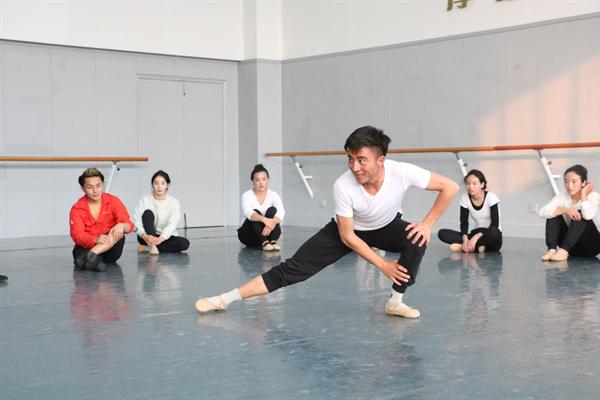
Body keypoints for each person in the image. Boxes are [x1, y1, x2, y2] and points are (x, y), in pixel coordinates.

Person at [196, 126, 459, 319]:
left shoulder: (401, 172)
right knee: (292, 269)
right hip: (347, 230)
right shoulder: (343, 185)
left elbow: (450, 187)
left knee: (417, 237)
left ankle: (396, 302)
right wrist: (383, 265)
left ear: (381, 160)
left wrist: (427, 224)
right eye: (350, 159)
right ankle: (224, 299)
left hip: (387, 225)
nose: (354, 167)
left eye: (361, 160)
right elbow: (348, 237)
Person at [70, 168, 134, 271]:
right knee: (85, 257)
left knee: (118, 232)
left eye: (98, 186)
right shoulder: (77, 209)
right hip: (86, 247)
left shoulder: (113, 201)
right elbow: (77, 235)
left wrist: (121, 225)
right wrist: (96, 239)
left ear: (103, 184)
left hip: (110, 250)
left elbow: (129, 226)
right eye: (90, 187)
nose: (95, 191)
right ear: (83, 188)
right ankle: (91, 260)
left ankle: (90, 257)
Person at [538, 164, 600, 261]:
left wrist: (584, 194)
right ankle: (552, 250)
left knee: (580, 213)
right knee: (553, 213)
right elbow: (542, 212)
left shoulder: (594, 196)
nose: (569, 185)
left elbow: (588, 216)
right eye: (566, 181)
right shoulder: (563, 196)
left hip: (592, 246)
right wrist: (565, 210)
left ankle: (564, 250)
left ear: (583, 183)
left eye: (574, 182)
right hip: (572, 248)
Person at [438, 169, 502, 253]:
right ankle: (478, 247)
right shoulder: (465, 198)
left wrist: (476, 237)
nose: (470, 187)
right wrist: (465, 240)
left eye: (474, 184)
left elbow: (495, 224)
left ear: (482, 184)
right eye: (468, 183)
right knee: (442, 233)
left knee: (494, 233)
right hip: (476, 232)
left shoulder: (491, 197)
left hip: (490, 234)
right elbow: (464, 223)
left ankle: (465, 247)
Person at [133, 170, 190, 255]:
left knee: (184, 243)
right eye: (156, 183)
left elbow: (172, 224)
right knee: (147, 213)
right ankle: (153, 246)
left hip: (165, 237)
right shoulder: (144, 200)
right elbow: (136, 221)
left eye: (163, 183)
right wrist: (145, 236)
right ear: (152, 185)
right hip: (146, 236)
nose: (159, 186)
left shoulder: (174, 202)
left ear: (168, 185)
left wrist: (161, 238)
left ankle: (147, 248)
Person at [237, 164, 285, 251]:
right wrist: (265, 220)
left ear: (268, 180)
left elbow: (281, 211)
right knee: (255, 212)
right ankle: (264, 242)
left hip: (268, 234)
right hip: (249, 236)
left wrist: (269, 225)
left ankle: (273, 242)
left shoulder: (273, 194)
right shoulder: (246, 195)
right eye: (257, 180)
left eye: (264, 179)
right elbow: (248, 213)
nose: (261, 183)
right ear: (253, 181)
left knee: (273, 210)